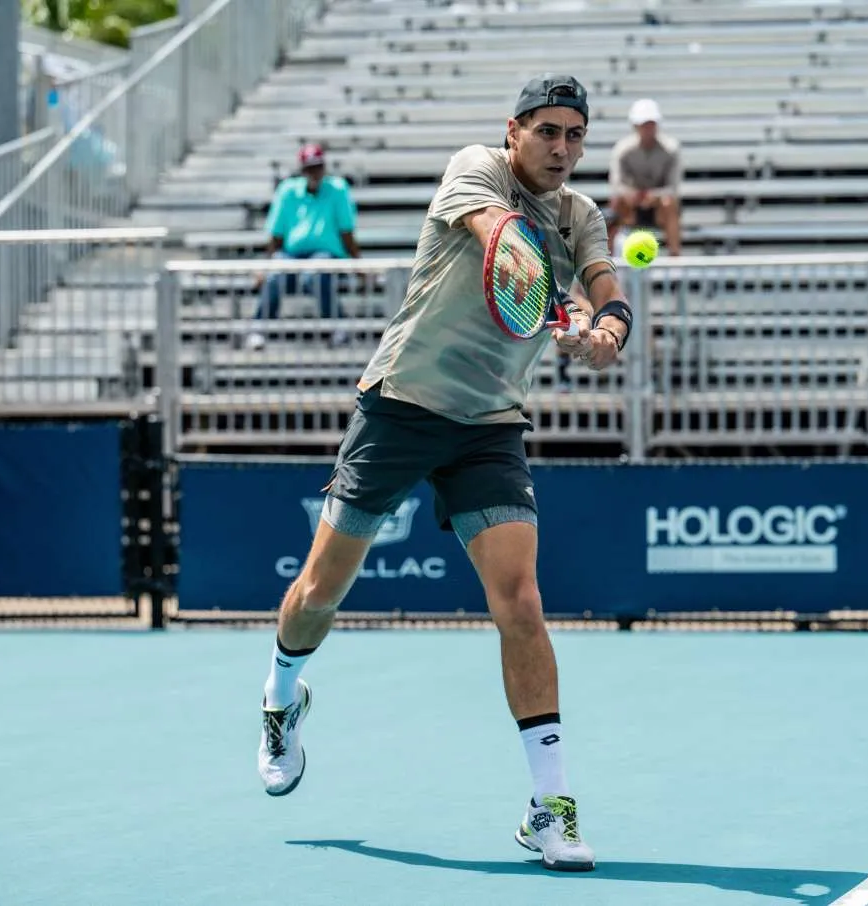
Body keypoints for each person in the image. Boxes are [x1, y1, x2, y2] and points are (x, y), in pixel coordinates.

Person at [256, 74, 634, 873]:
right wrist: (545, 292)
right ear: (513, 130)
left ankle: (550, 809)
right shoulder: (477, 169)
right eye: (547, 132)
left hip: (489, 425)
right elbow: (497, 232)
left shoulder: (582, 215)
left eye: (574, 135)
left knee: (522, 604)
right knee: (321, 591)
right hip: (402, 405)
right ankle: (283, 692)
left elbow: (608, 285)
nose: (562, 149)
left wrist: (603, 325)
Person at [247, 143, 362, 350]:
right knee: (275, 273)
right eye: (309, 168)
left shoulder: (337, 189)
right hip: (291, 255)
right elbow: (277, 234)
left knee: (314, 273)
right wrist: (266, 266)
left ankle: (339, 327)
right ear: (302, 170)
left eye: (317, 166)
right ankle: (258, 330)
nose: (314, 172)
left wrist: (357, 263)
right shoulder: (287, 191)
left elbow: (346, 231)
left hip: (326, 255)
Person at [607, 97, 682, 256]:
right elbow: (616, 184)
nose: (648, 129)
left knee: (670, 203)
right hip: (630, 205)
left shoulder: (671, 149)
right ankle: (605, 259)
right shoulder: (623, 150)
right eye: (644, 125)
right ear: (635, 126)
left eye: (651, 124)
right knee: (615, 204)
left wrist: (653, 196)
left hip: (659, 206)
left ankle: (675, 257)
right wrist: (631, 195)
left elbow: (673, 187)